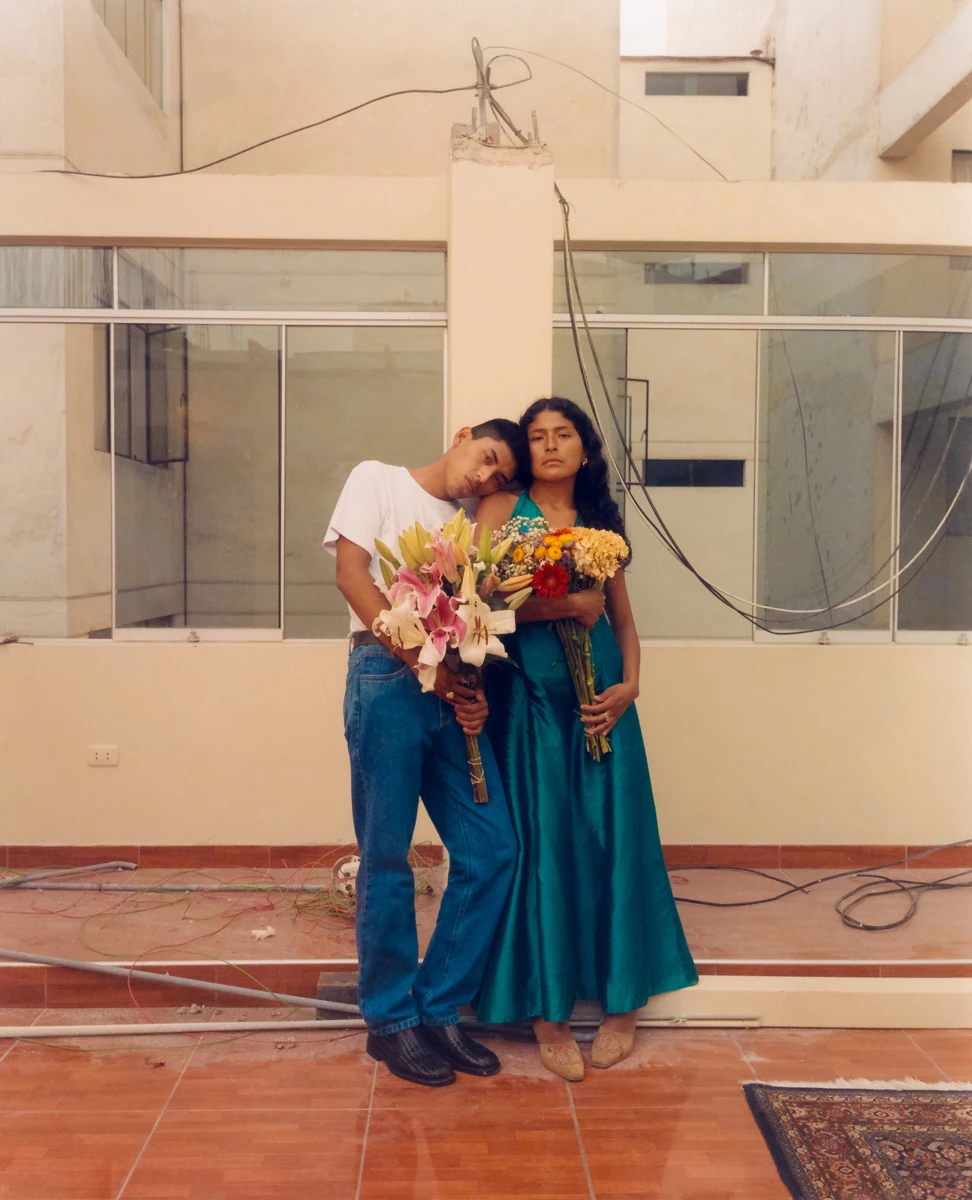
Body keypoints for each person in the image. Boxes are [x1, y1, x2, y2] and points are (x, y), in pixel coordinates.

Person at [474, 397, 698, 1081]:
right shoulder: (499, 510)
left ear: (583, 447)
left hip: (602, 707)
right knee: (543, 848)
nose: (549, 445)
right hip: (528, 707)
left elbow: (623, 622)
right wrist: (564, 604)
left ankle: (623, 1006)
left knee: (614, 843)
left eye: (562, 434)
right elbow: (480, 606)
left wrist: (631, 687)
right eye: (538, 435)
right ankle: (548, 1016)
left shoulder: (600, 525)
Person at [324, 420, 530, 1088]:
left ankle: (438, 1006)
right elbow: (352, 576)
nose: (483, 477)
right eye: (486, 458)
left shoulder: (472, 533)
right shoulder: (377, 479)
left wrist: (472, 693)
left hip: (448, 689)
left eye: (498, 477)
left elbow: (474, 627)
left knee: (491, 849)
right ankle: (389, 1023)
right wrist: (423, 662)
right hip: (386, 680)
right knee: (387, 858)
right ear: (463, 435)